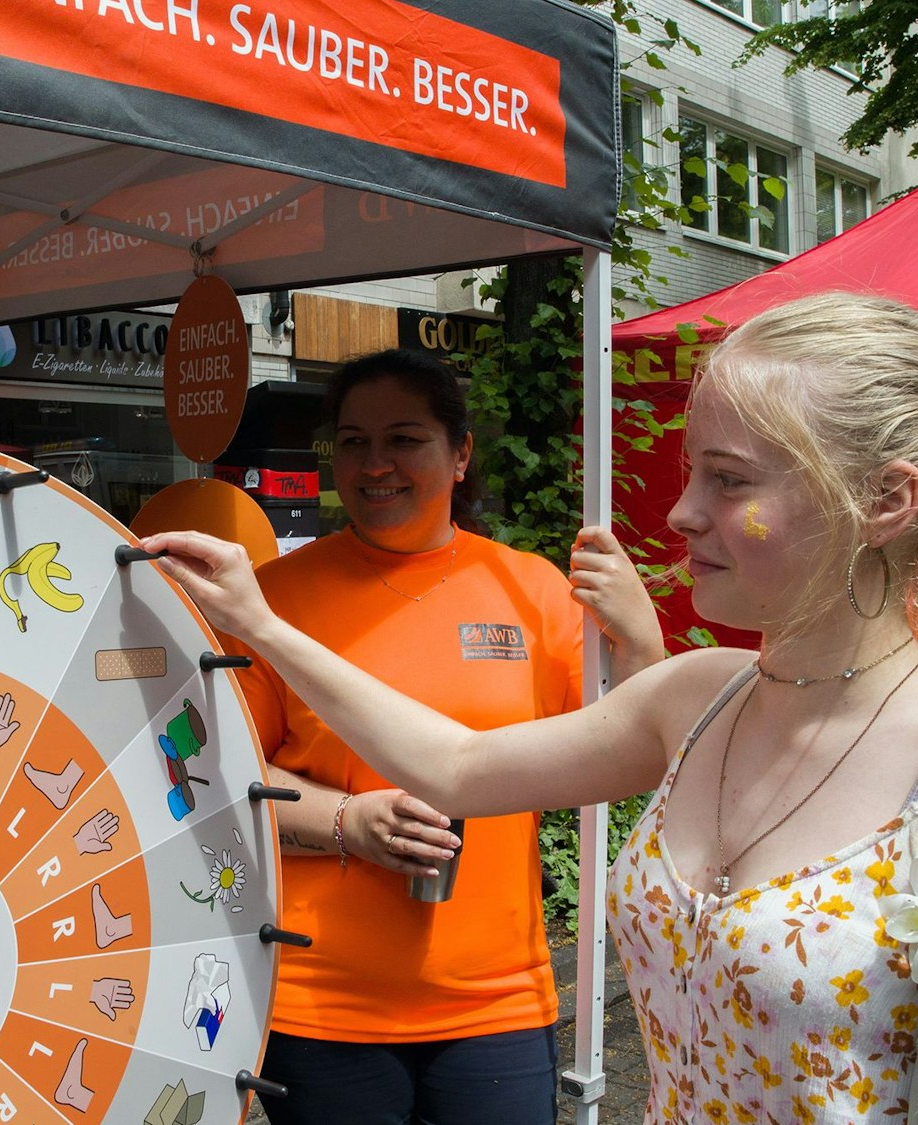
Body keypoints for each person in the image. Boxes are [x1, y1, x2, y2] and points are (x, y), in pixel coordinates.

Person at [148, 293, 918, 1123]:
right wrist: (265, 626)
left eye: (727, 480)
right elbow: (458, 766)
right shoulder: (697, 696)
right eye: (692, 470)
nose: (681, 511)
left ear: (884, 500)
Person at [227, 348, 664, 1125]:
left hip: (495, 998)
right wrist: (345, 823)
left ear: (460, 453)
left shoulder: (530, 589)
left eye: (404, 438)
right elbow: (226, 780)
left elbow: (631, 751)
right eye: (354, 441)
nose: (376, 464)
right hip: (320, 1000)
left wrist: (640, 643)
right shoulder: (273, 598)